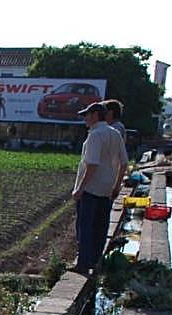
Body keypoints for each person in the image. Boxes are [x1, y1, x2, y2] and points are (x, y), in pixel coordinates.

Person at [71, 101, 128, 274]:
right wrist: (117, 185)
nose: (85, 119)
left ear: (95, 115)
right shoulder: (115, 133)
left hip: (91, 188)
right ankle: (95, 261)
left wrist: (80, 188)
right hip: (107, 188)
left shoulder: (95, 135)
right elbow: (124, 163)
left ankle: (83, 263)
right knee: (101, 227)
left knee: (85, 226)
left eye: (87, 115)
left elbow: (92, 164)